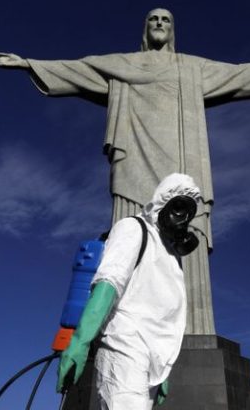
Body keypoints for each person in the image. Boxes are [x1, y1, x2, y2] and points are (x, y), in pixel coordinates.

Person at [0, 8, 250, 334]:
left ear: (173, 29)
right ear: (145, 29)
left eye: (166, 19)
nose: (160, 23)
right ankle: (122, 327)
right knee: (128, 235)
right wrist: (27, 64)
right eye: (153, 19)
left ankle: (193, 329)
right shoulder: (122, 64)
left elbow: (237, 73)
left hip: (182, 161)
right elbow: (79, 69)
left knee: (184, 232)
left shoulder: (192, 68)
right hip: (134, 158)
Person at [56, 173, 202, 409]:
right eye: (178, 207)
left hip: (152, 360)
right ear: (162, 203)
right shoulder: (132, 228)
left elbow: (162, 312)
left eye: (189, 212)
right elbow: (109, 283)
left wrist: (161, 369)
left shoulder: (172, 256)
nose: (183, 218)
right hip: (124, 344)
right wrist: (81, 341)